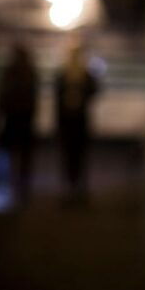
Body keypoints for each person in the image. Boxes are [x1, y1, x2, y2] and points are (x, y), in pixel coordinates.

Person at [55, 45, 98, 201]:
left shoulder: (78, 74)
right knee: (72, 156)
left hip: (76, 122)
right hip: (73, 122)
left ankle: (76, 188)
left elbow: (94, 91)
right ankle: (73, 187)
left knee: (76, 155)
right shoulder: (67, 74)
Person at [0, 43, 38, 203]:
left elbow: (2, 95)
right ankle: (23, 186)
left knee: (11, 153)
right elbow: (33, 99)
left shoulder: (10, 72)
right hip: (25, 120)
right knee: (24, 156)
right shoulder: (30, 72)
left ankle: (10, 184)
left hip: (12, 119)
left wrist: (0, 114)